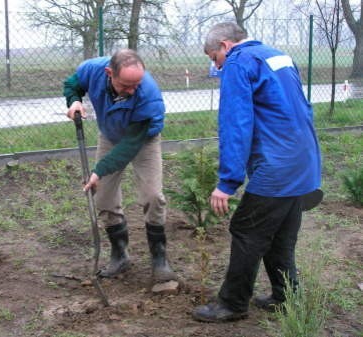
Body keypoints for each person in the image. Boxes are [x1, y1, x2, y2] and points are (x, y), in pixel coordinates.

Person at [192, 22, 322, 322]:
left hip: (277, 165)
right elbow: (302, 107)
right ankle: (285, 296)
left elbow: (235, 124)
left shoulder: (238, 63)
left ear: (225, 45)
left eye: (214, 58)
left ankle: (233, 304)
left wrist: (227, 182)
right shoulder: (276, 56)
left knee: (247, 229)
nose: (216, 66)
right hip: (303, 158)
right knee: (278, 236)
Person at [63, 49, 177, 284]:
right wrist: (74, 101)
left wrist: (99, 170)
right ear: (109, 73)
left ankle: (159, 259)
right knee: (103, 197)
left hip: (143, 140)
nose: (132, 90)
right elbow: (72, 84)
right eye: (126, 85)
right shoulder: (92, 70)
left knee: (153, 196)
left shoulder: (149, 95)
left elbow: (129, 146)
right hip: (110, 136)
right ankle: (120, 254)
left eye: (137, 84)